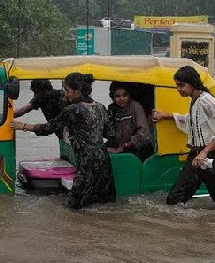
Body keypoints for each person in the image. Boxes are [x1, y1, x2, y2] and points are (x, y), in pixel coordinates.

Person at [10, 73, 116, 209]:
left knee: (71, 208)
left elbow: (48, 128)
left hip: (86, 162)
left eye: (66, 90)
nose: (64, 94)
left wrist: (23, 126)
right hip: (104, 160)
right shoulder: (100, 107)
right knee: (103, 203)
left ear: (76, 91)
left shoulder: (73, 109)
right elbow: (110, 133)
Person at [152, 66, 215, 209]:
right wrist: (165, 115)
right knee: (174, 198)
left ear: (192, 83)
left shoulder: (206, 100)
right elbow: (191, 121)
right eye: (177, 86)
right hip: (195, 156)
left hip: (212, 156)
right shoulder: (194, 100)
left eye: (181, 85)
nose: (178, 89)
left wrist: (204, 152)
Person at [106, 82, 154, 161]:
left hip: (134, 152)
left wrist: (125, 145)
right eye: (118, 96)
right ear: (112, 97)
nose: (122, 99)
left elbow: (145, 134)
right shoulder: (112, 108)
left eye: (125, 95)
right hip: (117, 150)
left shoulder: (136, 107)